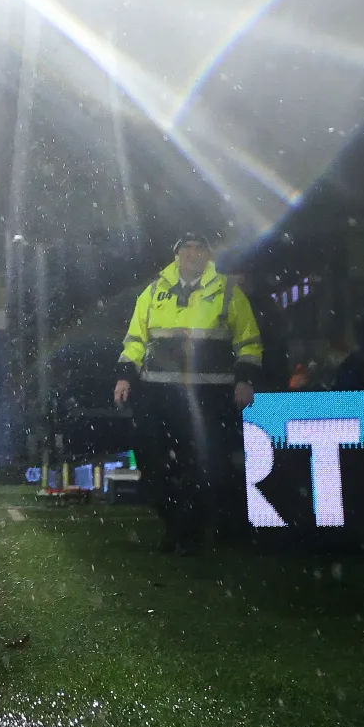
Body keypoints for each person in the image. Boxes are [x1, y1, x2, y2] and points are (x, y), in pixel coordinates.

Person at [113, 235, 262, 554]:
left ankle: (185, 532)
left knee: (203, 466)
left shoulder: (228, 291)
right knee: (152, 462)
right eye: (186, 248)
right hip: (157, 392)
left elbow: (248, 341)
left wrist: (245, 380)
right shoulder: (153, 291)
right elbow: (135, 339)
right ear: (176, 254)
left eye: (199, 248)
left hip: (209, 393)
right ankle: (179, 524)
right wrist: (125, 377)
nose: (192, 254)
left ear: (208, 255)